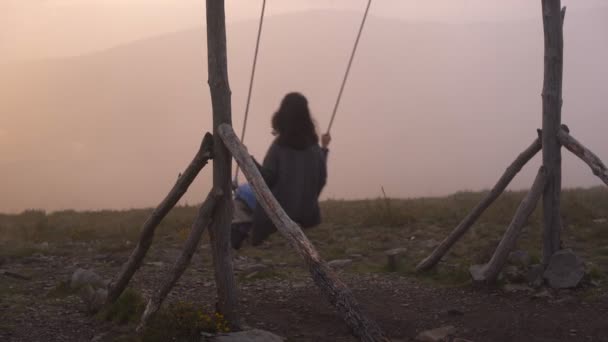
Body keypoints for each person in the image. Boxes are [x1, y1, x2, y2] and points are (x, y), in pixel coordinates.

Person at [249, 92, 331, 246]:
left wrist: (247, 160)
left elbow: (266, 179)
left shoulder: (279, 146)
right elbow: (321, 178)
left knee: (243, 196)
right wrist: (324, 148)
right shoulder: (314, 147)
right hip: (308, 217)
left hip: (275, 220)